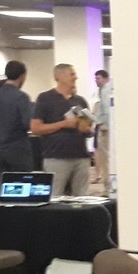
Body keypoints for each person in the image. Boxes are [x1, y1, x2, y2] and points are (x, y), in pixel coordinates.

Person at [31, 63, 93, 196]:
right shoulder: (45, 98)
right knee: (55, 196)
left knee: (82, 198)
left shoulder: (80, 101)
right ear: (59, 76)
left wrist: (85, 128)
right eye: (72, 74)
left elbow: (89, 129)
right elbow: (35, 128)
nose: (76, 77)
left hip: (81, 157)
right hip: (56, 158)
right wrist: (63, 124)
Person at [0, 61, 34, 195]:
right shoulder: (21, 97)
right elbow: (27, 123)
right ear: (23, 76)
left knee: (0, 187)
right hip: (18, 149)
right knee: (22, 189)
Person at [93, 68, 113, 194]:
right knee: (103, 158)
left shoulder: (105, 91)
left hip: (105, 128)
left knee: (105, 159)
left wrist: (104, 125)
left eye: (98, 78)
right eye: (95, 78)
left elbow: (107, 110)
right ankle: (108, 186)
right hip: (102, 126)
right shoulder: (101, 91)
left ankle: (108, 187)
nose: (96, 81)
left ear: (105, 78)